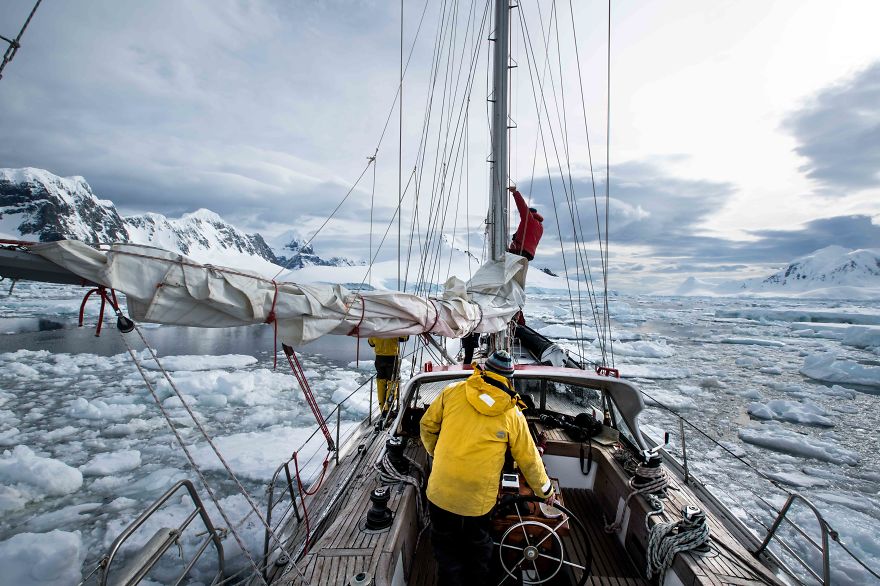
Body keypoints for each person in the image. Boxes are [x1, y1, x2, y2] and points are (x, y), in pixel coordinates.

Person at [420, 350, 554, 586]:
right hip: (477, 501)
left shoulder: (452, 392)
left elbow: (427, 426)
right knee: (478, 552)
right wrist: (546, 491)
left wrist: (435, 453)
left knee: (447, 554)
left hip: (440, 493)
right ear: (509, 379)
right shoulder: (512, 414)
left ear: (483, 371)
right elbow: (529, 459)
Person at [368, 336, 408, 414]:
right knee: (392, 382)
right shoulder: (394, 328)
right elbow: (404, 338)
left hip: (379, 359)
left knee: (381, 383)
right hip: (392, 358)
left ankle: (382, 408)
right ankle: (387, 408)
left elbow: (371, 343)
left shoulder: (375, 329)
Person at [507, 186, 544, 260]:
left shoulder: (529, 218)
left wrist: (515, 193)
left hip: (520, 250)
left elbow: (522, 206)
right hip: (529, 254)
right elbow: (528, 234)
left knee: (499, 258)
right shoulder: (540, 226)